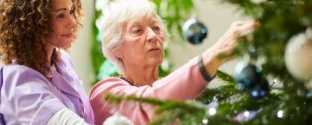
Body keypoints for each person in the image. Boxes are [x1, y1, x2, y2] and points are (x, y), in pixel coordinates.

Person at [89, 0, 258, 125]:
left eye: (156, 28)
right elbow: (152, 103)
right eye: (137, 31)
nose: (153, 36)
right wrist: (216, 53)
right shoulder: (104, 94)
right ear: (116, 47)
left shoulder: (184, 93)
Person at [0, 0, 94, 124]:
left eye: (71, 11)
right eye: (60, 15)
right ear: (34, 22)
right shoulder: (20, 83)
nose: (73, 23)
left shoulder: (62, 61)